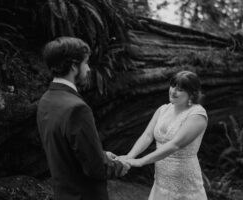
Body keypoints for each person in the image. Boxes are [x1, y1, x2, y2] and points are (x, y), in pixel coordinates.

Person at [36, 36, 130, 200]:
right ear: (73, 66)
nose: (88, 69)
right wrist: (120, 166)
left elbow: (66, 149)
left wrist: (102, 154)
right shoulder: (77, 108)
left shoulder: (46, 100)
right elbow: (96, 168)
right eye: (86, 63)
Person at [119, 71, 208, 200]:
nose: (173, 91)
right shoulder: (163, 109)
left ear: (192, 94)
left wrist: (141, 161)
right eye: (172, 86)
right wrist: (129, 157)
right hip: (161, 180)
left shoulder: (197, 115)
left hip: (184, 183)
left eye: (180, 89)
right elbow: (147, 135)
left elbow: (175, 145)